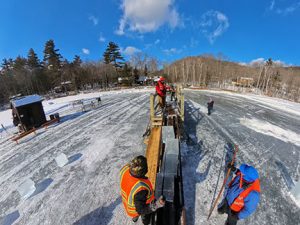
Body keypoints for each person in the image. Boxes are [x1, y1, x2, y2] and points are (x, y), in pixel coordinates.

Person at [120, 155, 165, 225]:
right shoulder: (140, 188)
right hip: (136, 209)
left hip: (128, 203)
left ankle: (135, 218)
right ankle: (145, 222)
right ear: (144, 171)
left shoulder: (125, 169)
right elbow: (141, 209)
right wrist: (157, 205)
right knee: (145, 215)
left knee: (136, 209)